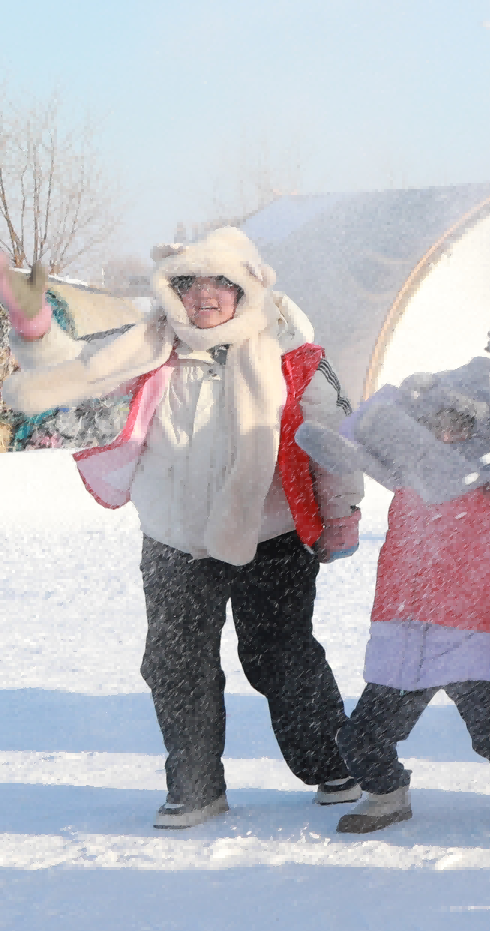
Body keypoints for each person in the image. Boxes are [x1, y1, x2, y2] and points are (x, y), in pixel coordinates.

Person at [2, 230, 363, 828]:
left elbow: (335, 441)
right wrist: (34, 323)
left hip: (267, 537)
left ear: (246, 287)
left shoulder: (290, 351)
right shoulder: (148, 344)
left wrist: (341, 512)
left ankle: (334, 764)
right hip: (172, 537)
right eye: (189, 282)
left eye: (222, 283)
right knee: (176, 661)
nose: (205, 296)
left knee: (280, 656)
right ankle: (195, 786)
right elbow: (74, 370)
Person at [297, 359, 490, 835]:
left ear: (489, 428)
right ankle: (386, 793)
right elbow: (364, 427)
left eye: (460, 422)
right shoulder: (410, 477)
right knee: (361, 736)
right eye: (434, 421)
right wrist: (400, 392)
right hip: (403, 627)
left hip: (467, 631)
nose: (445, 433)